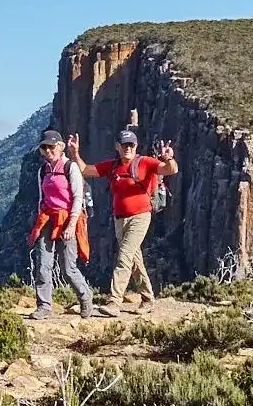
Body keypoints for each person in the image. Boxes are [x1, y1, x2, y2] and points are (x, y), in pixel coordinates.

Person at [71, 128, 178, 315]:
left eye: (131, 145)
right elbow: (86, 170)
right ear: (117, 147)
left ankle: (114, 301)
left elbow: (170, 170)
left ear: (136, 146)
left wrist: (168, 158)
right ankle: (147, 298)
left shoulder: (145, 162)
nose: (128, 148)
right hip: (119, 218)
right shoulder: (112, 166)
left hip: (141, 216)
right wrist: (75, 153)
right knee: (134, 259)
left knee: (124, 256)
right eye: (124, 145)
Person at [26, 129, 95, 318]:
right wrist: (40, 220)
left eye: (51, 146)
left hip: (68, 219)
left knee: (68, 268)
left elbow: (77, 196)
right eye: (44, 147)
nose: (48, 151)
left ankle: (85, 298)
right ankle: (44, 306)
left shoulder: (70, 167)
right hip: (48, 218)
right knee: (43, 264)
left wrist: (72, 224)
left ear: (60, 147)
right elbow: (42, 198)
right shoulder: (43, 171)